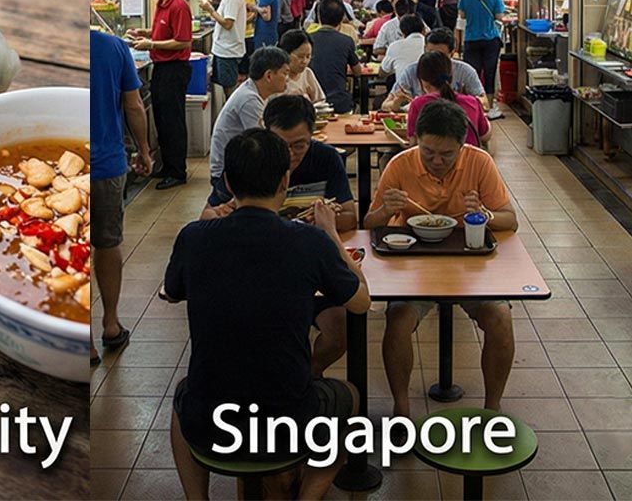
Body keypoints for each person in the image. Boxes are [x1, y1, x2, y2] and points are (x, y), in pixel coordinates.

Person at [165, 128, 368, 501]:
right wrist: (332, 235)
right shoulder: (310, 242)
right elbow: (360, 303)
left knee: (182, 399)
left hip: (211, 420)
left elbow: (172, 292)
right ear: (286, 180)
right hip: (290, 421)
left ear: (227, 182)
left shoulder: (193, 237)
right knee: (350, 398)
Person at [365, 99, 517, 417]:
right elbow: (369, 225)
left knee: (501, 320)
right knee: (397, 321)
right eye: (428, 152)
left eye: (447, 154)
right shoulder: (400, 165)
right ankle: (402, 409)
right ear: (416, 141)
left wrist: (484, 214)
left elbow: (509, 220)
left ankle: (493, 409)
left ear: (462, 146)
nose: (437, 161)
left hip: (469, 266)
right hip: (412, 266)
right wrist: (386, 209)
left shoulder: (479, 162)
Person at [200, 95, 357, 374]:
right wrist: (221, 212)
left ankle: (304, 378)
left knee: (341, 330)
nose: (292, 154)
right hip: (259, 268)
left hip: (313, 263)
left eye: (300, 145)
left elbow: (349, 216)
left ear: (313, 134)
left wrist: (325, 223)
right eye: (283, 144)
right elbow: (207, 216)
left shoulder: (327, 159)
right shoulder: (252, 159)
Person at [89, 27, 152, 365]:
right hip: (107, 164)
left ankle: (82, 341)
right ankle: (110, 324)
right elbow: (134, 106)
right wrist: (144, 150)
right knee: (108, 243)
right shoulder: (113, 47)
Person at [129, 0, 193, 190]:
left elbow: (184, 40)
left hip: (174, 70)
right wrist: (143, 33)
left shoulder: (178, 6)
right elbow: (163, 31)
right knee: (162, 121)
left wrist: (152, 43)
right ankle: (167, 166)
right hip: (161, 68)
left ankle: (178, 172)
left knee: (173, 121)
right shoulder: (161, 5)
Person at [206, 46, 290, 204]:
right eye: (285, 73)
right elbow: (263, 145)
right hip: (226, 175)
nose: (288, 78)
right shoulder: (249, 99)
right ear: (269, 75)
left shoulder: (257, 92)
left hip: (236, 165)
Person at [382, 27, 486, 112]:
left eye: (441, 55)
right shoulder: (411, 71)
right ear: (424, 49)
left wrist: (465, 101)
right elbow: (385, 105)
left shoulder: (465, 71)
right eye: (430, 53)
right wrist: (397, 102)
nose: (434, 59)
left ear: (452, 53)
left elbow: (485, 103)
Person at [408, 50, 490, 147]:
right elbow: (485, 136)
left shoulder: (418, 104)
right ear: (451, 75)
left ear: (423, 81)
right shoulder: (472, 102)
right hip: (467, 159)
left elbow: (413, 143)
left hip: (432, 161)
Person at [460, 0, 507, 120]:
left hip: (472, 39)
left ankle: (471, 105)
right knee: (490, 73)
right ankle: (489, 107)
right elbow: (500, 16)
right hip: (491, 39)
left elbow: (462, 15)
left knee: (472, 73)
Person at [197, 0, 245, 94]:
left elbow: (228, 24)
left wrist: (210, 9)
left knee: (229, 87)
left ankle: (232, 113)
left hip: (228, 50)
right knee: (223, 85)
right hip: (223, 48)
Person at [307, 0, 359, 114]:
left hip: (311, 102)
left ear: (319, 17)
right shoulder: (346, 41)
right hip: (339, 103)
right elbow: (357, 72)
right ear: (341, 19)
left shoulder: (307, 39)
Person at [278, 28, 324, 105]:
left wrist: (311, 100)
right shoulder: (277, 76)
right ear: (286, 54)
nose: (305, 61)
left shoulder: (307, 73)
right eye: (300, 56)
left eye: (308, 56)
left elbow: (320, 101)